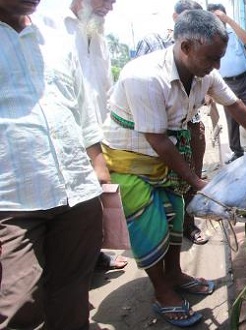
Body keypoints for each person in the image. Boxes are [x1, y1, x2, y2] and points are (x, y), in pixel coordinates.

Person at [100, 10, 246, 327]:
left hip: (168, 155)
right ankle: (163, 294)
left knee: (176, 215)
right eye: (212, 57)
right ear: (186, 47)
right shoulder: (144, 76)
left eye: (220, 58)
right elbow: (157, 140)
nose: (217, 66)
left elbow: (235, 106)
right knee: (151, 225)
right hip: (130, 158)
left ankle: (174, 274)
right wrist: (196, 181)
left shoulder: (205, 73)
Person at [0, 1, 108, 328]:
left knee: (72, 295)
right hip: (13, 201)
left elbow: (83, 109)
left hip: (77, 192)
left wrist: (98, 165)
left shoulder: (54, 39)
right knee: (19, 305)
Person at [43, 0, 129, 272]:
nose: (111, 7)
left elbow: (106, 91)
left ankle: (93, 257)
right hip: (63, 137)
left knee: (93, 202)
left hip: (96, 137)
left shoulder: (98, 37)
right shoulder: (48, 25)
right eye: (107, 0)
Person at [135, 0, 209, 245]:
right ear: (174, 17)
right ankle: (161, 235)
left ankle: (189, 225)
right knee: (162, 185)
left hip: (191, 124)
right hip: (160, 129)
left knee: (191, 178)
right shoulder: (152, 43)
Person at [208, 3, 246, 163]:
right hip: (226, 83)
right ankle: (237, 151)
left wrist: (228, 20)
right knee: (231, 118)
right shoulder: (209, 39)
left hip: (245, 79)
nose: (218, 20)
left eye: (220, 16)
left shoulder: (234, 32)